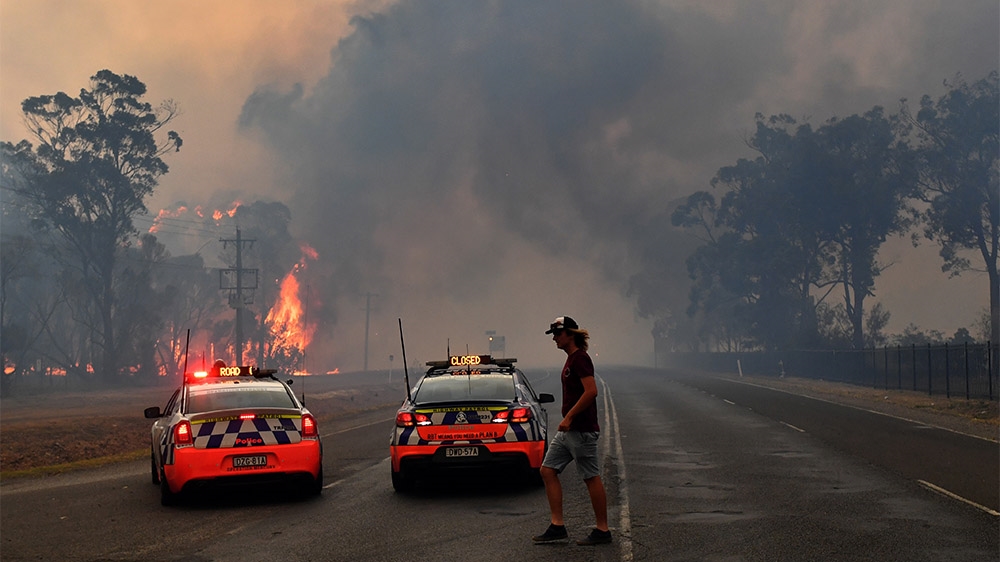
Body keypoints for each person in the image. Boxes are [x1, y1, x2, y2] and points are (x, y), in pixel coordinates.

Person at [532, 316, 611, 546]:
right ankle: (557, 526)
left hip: (581, 430)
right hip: (568, 432)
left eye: (557, 334)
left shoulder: (580, 360)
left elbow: (591, 391)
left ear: (570, 334)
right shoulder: (571, 360)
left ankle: (603, 530)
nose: (555, 339)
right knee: (547, 470)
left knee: (591, 477)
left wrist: (569, 417)